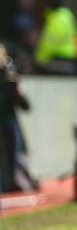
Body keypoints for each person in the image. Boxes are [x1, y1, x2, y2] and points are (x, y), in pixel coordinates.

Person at [0, 44, 38, 193]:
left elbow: (26, 106)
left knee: (16, 150)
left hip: (8, 122)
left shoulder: (9, 77)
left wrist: (16, 88)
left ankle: (16, 181)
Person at [34, 0, 77, 74]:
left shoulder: (56, 18)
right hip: (69, 58)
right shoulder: (67, 16)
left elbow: (50, 42)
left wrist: (40, 58)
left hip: (57, 60)